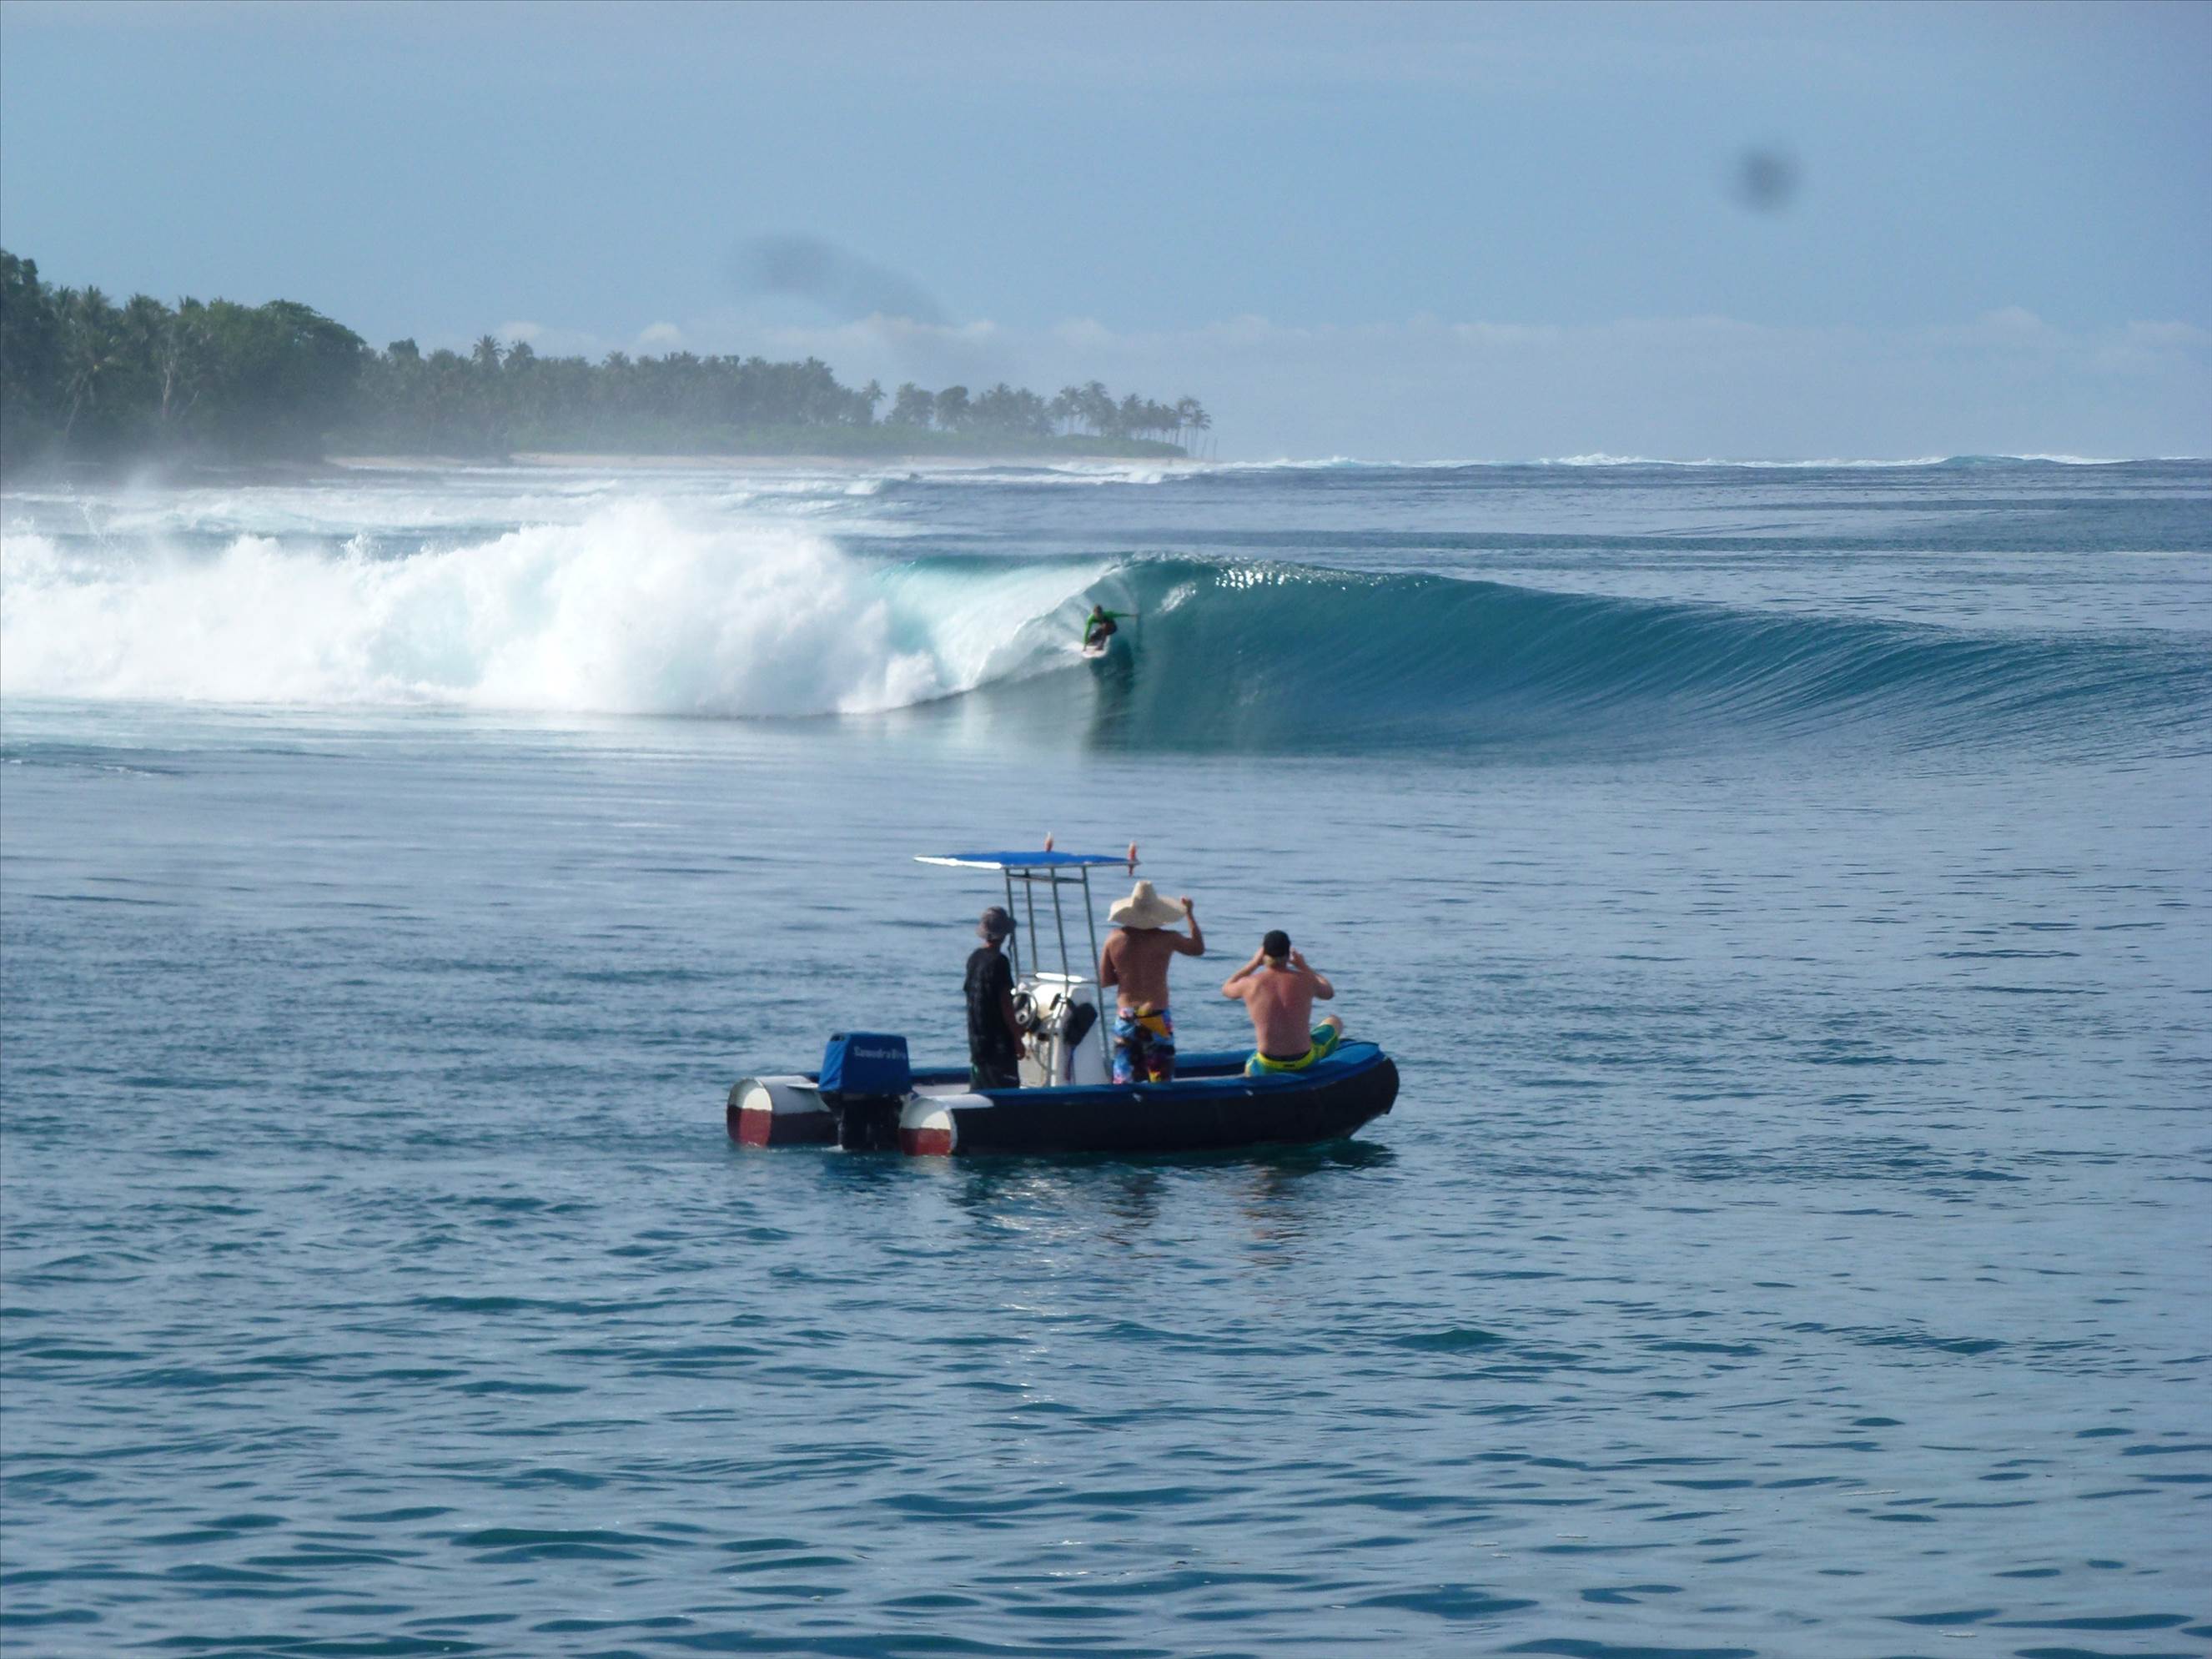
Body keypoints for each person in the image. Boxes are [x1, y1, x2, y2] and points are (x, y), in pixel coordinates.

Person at [1098, 879, 1204, 1083]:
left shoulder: (1113, 938)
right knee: (1161, 1080)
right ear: (1157, 913)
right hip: (1156, 1015)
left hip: (1126, 1015)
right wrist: (1189, 914)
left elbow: (1105, 980)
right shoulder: (1168, 938)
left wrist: (1128, 974)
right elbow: (1198, 949)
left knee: (1123, 1080)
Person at [1222, 929, 1345, 1077]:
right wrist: (1303, 966)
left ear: (1263, 953)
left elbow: (1226, 989)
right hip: (1304, 1061)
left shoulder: (1250, 984)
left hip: (1268, 1064)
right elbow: (1328, 993)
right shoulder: (1306, 979)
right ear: (1288, 955)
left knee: (1251, 1066)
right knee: (1334, 1021)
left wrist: (1253, 964)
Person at [965, 907, 1025, 1089]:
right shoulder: (1000, 962)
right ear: (1004, 934)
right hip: (998, 1045)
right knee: (1006, 1091)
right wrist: (1017, 1038)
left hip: (977, 1041)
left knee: (981, 1089)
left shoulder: (974, 958)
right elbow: (1005, 1004)